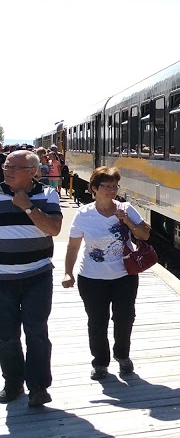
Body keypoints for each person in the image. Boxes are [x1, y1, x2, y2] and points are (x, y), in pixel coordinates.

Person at [61, 167, 149, 380]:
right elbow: (73, 246)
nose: (112, 190)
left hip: (124, 276)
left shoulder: (126, 208)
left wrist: (127, 220)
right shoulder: (84, 214)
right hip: (91, 277)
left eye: (114, 186)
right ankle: (100, 362)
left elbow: (145, 235)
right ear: (94, 188)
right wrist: (68, 273)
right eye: (106, 186)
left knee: (125, 318)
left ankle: (122, 355)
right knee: (97, 320)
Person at [0, 150, 63, 407]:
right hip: (2, 278)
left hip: (37, 275)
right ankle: (13, 384)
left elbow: (53, 229)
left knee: (36, 332)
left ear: (33, 172)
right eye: (6, 165)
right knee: (6, 335)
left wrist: (27, 206)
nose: (7, 170)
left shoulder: (48, 194)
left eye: (15, 167)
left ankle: (38, 388)